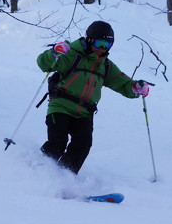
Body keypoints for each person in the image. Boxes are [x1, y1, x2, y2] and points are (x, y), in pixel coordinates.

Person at [36, 21, 151, 174]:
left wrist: (135, 88)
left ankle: (64, 176)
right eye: (99, 43)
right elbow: (43, 63)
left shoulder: (106, 66)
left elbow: (123, 83)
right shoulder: (71, 54)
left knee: (83, 144)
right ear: (89, 40)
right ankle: (39, 170)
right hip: (61, 106)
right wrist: (54, 53)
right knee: (58, 142)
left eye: (107, 44)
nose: (102, 48)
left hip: (84, 112)